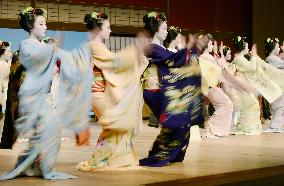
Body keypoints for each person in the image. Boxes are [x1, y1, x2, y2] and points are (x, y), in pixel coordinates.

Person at [0, 7, 92, 180]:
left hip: (44, 97)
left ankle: (33, 166)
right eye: (41, 23)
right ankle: (38, 167)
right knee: (49, 130)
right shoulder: (25, 45)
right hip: (31, 98)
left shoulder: (46, 46)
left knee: (49, 133)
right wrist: (50, 50)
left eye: (45, 23)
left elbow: (64, 57)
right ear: (31, 26)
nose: (45, 26)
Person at [76, 11, 149, 171]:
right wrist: (133, 52)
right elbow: (115, 62)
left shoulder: (97, 45)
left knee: (114, 126)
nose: (110, 31)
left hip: (100, 92)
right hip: (97, 92)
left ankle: (114, 159)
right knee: (115, 124)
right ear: (98, 29)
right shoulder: (94, 45)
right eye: (107, 27)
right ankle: (102, 160)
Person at [140, 12, 204, 167]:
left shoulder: (159, 47)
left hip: (161, 90)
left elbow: (175, 60)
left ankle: (166, 154)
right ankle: (162, 155)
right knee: (175, 122)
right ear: (156, 29)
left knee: (176, 123)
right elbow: (172, 60)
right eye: (164, 28)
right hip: (153, 91)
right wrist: (191, 49)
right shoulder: (151, 47)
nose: (167, 31)